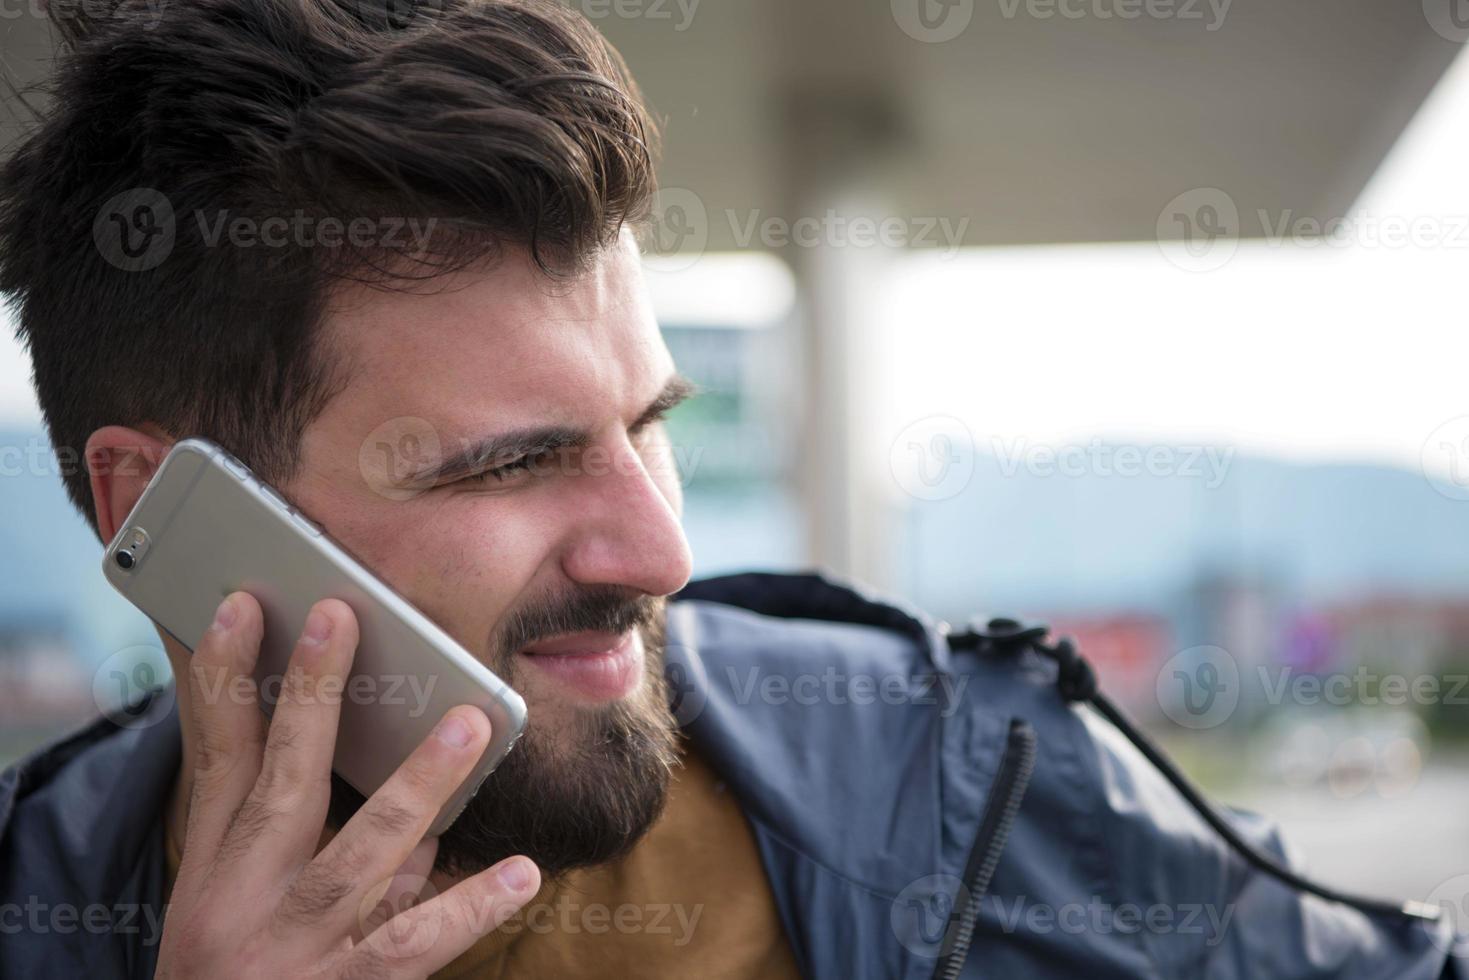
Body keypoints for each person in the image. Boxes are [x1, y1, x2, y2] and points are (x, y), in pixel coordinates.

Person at [0, 1, 1461, 977]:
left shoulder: (958, 772)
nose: (664, 549)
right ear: (160, 511)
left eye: (649, 425)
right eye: (511, 460)